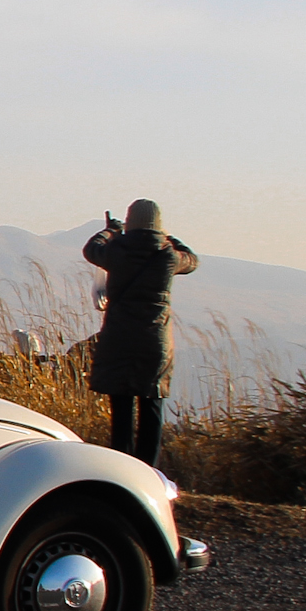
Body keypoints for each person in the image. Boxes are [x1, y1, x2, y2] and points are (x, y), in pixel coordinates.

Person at [83, 199, 198, 466]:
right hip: (154, 343)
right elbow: (192, 259)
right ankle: (149, 471)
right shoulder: (169, 255)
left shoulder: (116, 250)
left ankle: (123, 469)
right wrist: (168, 238)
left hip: (119, 339)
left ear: (130, 220)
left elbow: (92, 249)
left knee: (121, 408)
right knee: (152, 405)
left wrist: (111, 230)